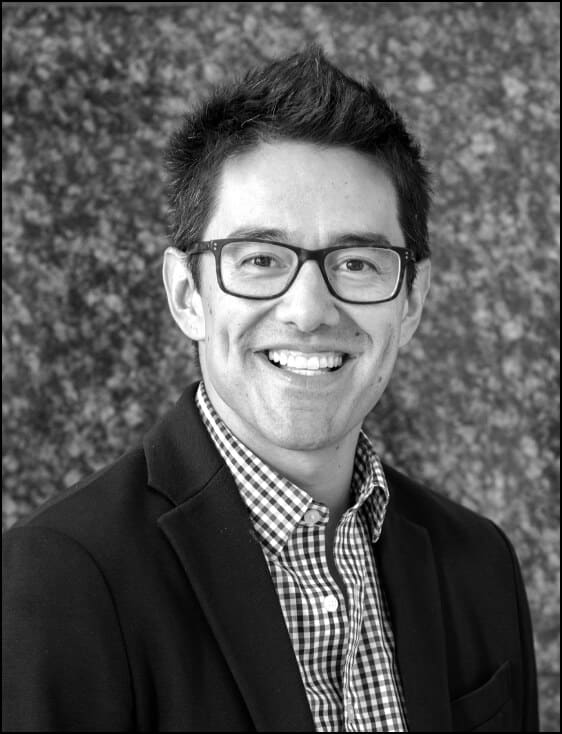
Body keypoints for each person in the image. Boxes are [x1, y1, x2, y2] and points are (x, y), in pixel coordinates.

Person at [2, 45, 538, 733]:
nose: (309, 311)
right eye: (259, 259)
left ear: (411, 301)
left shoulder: (480, 564)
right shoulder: (58, 580)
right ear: (187, 294)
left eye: (357, 262)